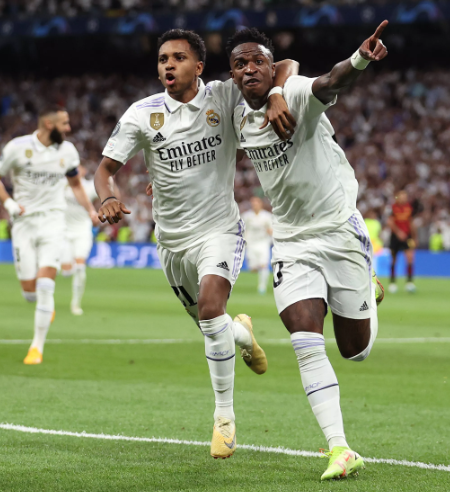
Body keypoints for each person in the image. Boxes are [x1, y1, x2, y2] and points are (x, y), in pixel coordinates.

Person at [94, 29, 298, 460]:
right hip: (171, 241)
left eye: (179, 57)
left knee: (209, 308)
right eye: (163, 59)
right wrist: (108, 197)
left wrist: (278, 93)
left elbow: (283, 65)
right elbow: (105, 170)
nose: (168, 64)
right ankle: (243, 335)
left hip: (219, 229)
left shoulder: (223, 95)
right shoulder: (142, 114)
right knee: (211, 323)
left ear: (199, 66)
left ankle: (224, 418)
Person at [228, 25, 387, 480]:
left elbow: (331, 80)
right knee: (305, 341)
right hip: (292, 240)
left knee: (354, 351)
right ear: (232, 75)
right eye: (240, 64)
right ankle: (340, 448)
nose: (250, 69)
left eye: (258, 61)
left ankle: (367, 288)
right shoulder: (234, 112)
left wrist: (359, 59)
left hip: (339, 232)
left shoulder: (295, 92)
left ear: (270, 66)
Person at [0, 106, 99, 364]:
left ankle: (36, 347)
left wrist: (90, 210)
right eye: (64, 123)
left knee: (45, 286)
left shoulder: (68, 151)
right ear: (48, 124)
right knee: (29, 292)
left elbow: (76, 184)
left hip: (54, 222)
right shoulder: (17, 148)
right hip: (24, 224)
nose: (69, 128)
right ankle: (44, 309)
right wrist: (9, 203)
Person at [60, 165, 99, 315]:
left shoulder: (89, 187)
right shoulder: (63, 185)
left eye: (79, 167)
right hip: (64, 231)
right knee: (66, 272)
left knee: (80, 267)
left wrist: (110, 180)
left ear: (84, 171)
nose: (77, 170)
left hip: (83, 230)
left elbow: (105, 190)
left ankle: (75, 304)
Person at [387, 190, 417, 293]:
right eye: (401, 196)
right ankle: (392, 283)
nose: (403, 198)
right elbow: (390, 222)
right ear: (397, 197)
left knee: (410, 258)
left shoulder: (409, 208)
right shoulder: (393, 208)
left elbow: (411, 222)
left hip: (407, 236)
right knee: (393, 259)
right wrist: (398, 232)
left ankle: (409, 283)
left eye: (405, 196)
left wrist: (414, 237)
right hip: (395, 237)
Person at [241, 196, 273, 294]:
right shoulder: (246, 216)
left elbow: (271, 229)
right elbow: (242, 229)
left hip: (263, 243)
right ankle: (256, 266)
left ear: (261, 204)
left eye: (257, 203)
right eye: (253, 203)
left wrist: (270, 232)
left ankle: (262, 287)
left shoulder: (267, 216)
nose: (255, 205)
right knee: (253, 268)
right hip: (251, 244)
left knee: (264, 264)